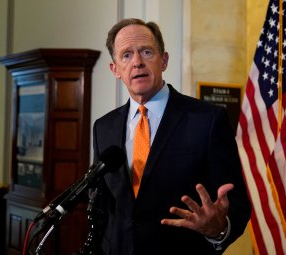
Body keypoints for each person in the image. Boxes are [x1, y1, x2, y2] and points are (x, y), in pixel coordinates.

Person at [84, 18, 251, 255]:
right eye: (126, 55)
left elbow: (237, 205)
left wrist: (218, 230)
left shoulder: (207, 120)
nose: (138, 62)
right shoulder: (104, 127)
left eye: (146, 52)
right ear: (115, 70)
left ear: (163, 60)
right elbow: (101, 207)